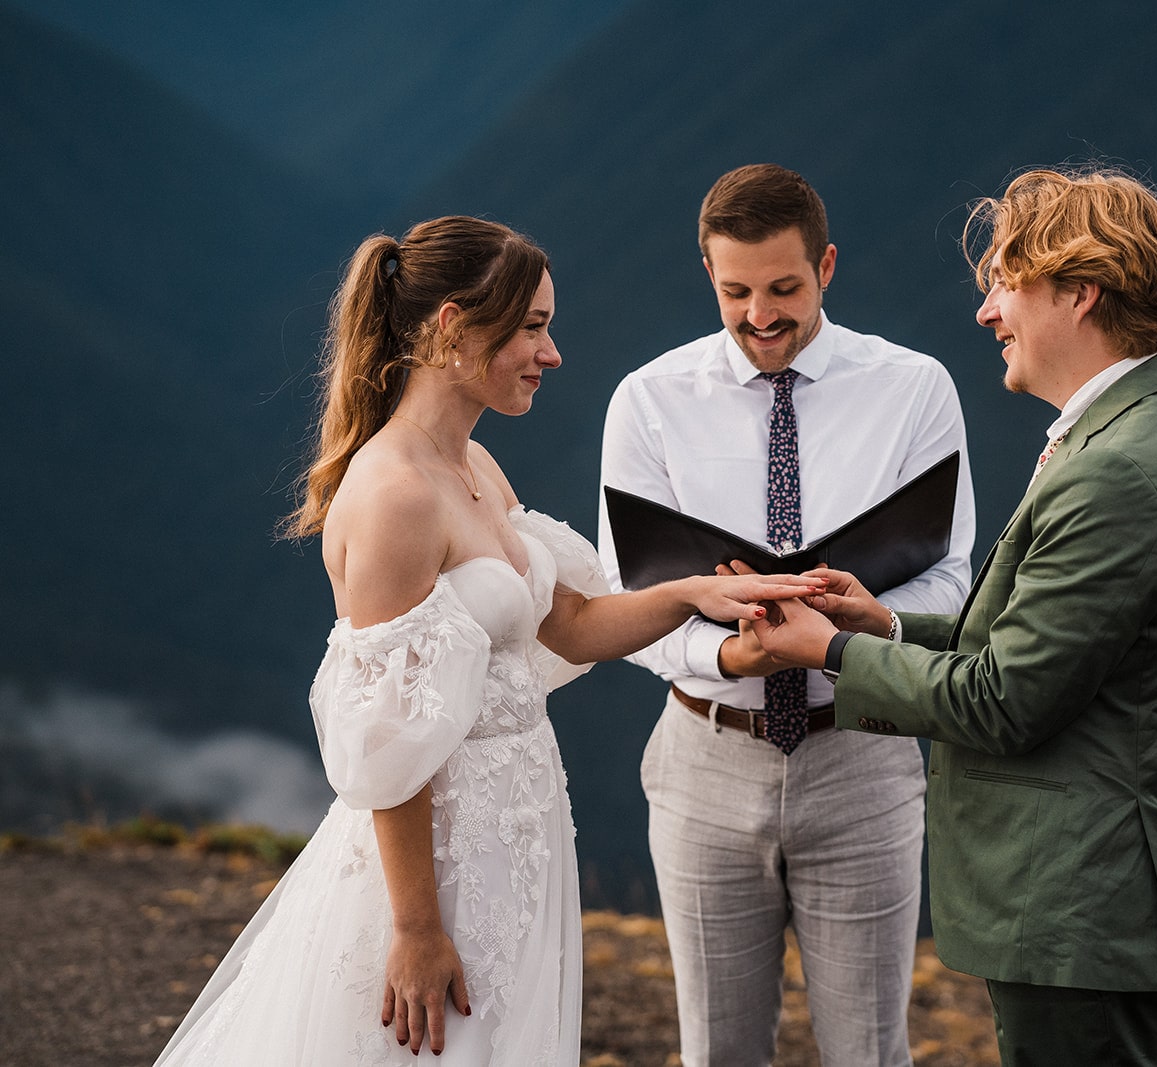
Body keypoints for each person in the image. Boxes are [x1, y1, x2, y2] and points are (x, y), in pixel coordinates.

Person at [153, 216, 822, 1066]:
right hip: (440, 861)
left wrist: (697, 595)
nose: (553, 354)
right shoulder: (395, 494)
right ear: (453, 328)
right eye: (534, 328)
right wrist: (417, 930)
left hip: (519, 839)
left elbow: (571, 624)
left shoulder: (474, 466)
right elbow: (389, 740)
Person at [748, 167, 1157, 1067]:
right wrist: (884, 628)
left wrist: (825, 649)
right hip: (1105, 896)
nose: (987, 314)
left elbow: (1004, 699)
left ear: (1080, 293)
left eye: (1007, 285)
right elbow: (1050, 649)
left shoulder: (1116, 473)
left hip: (1086, 900)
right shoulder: (1147, 427)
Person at [596, 164, 975, 1066]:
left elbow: (952, 581)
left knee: (869, 1052)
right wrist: (732, 658)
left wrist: (845, 633)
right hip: (703, 759)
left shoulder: (916, 388)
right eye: (736, 291)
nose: (761, 315)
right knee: (717, 1053)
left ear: (828, 267)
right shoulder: (647, 401)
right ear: (708, 276)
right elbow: (631, 601)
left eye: (784, 288)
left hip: (865, 753)